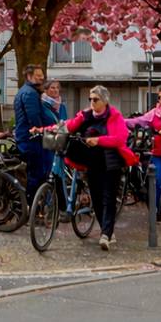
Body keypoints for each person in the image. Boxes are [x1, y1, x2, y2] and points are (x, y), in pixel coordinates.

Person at [62, 85, 138, 250]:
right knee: (96, 198)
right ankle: (107, 230)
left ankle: (105, 235)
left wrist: (99, 140)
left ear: (104, 101)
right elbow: (69, 126)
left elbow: (119, 138)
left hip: (111, 163)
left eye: (95, 99)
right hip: (93, 162)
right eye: (90, 99)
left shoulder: (114, 116)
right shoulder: (86, 115)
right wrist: (49, 129)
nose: (92, 102)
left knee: (109, 198)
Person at [14, 65, 53, 203]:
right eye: (38, 75)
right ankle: (33, 206)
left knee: (34, 173)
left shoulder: (26, 91)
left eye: (42, 75)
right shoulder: (30, 93)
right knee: (36, 173)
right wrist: (42, 131)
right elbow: (34, 117)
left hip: (27, 138)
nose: (42, 78)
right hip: (31, 140)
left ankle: (33, 206)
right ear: (29, 76)